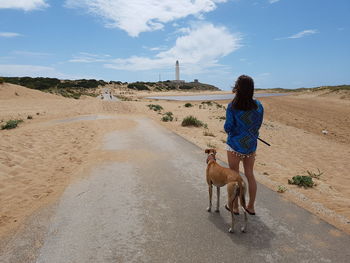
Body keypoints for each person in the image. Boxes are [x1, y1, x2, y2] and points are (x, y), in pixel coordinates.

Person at [224, 75, 264, 215]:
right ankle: (250, 206)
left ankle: (234, 207)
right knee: (250, 175)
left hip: (234, 145)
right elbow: (258, 125)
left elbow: (228, 127)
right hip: (250, 146)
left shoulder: (232, 106)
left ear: (237, 88)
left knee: (234, 176)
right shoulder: (258, 105)